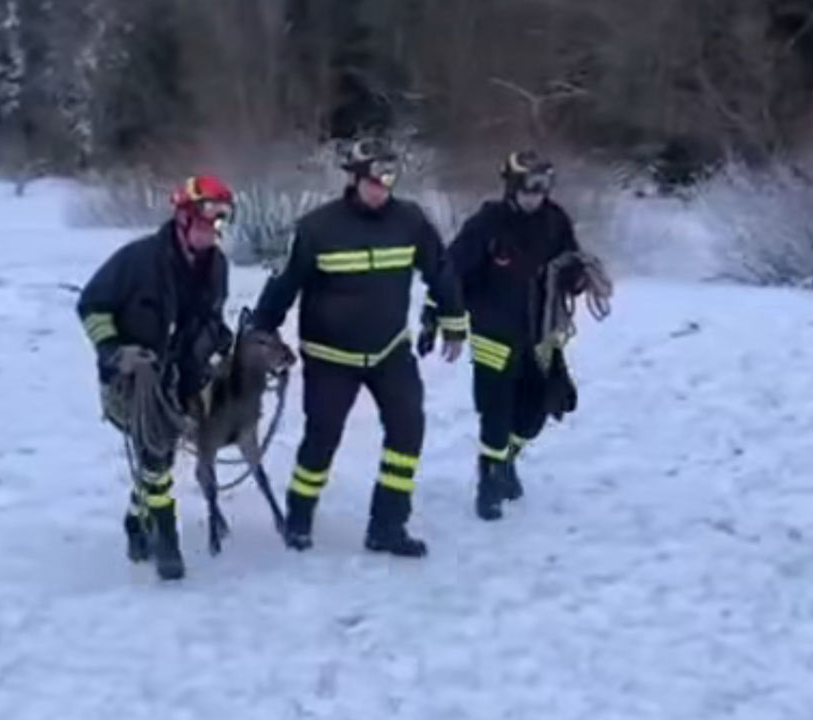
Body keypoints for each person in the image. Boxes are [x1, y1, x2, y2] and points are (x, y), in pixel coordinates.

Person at [250, 138, 469, 558]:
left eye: (389, 180)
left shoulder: (410, 221)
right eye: (374, 180)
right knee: (322, 438)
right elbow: (282, 286)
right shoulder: (316, 228)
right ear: (354, 179)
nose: (382, 189)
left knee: (408, 430)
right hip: (331, 358)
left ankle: (388, 525)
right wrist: (262, 334)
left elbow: (440, 270)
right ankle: (299, 515)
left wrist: (454, 321)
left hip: (390, 352)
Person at [76, 175, 237, 581]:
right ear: (183, 217)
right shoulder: (137, 260)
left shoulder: (217, 267)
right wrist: (114, 351)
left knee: (159, 460)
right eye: (206, 219)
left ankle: (135, 520)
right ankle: (166, 538)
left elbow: (212, 320)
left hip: (184, 378)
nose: (214, 230)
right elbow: (91, 306)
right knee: (156, 456)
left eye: (222, 221)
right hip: (133, 380)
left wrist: (224, 345)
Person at [418, 150, 590, 521]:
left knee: (539, 409)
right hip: (493, 333)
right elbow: (451, 271)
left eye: (542, 188)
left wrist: (577, 278)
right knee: (495, 413)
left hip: (540, 335)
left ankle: (508, 458)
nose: (535, 196)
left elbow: (571, 261)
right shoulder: (487, 224)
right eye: (529, 188)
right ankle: (490, 481)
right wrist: (433, 315)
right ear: (512, 187)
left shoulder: (555, 221)